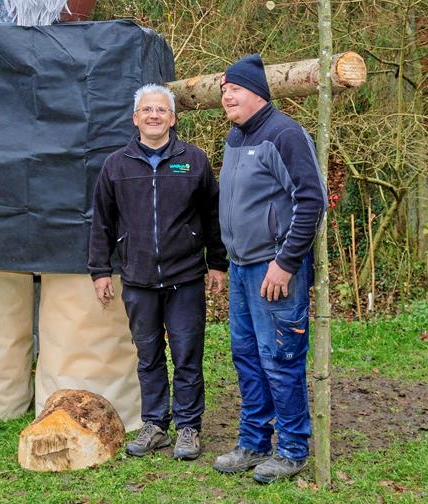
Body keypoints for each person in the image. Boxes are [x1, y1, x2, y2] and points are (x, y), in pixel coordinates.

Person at [88, 84, 227, 461]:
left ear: (173, 118)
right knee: (148, 354)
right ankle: (154, 424)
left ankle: (188, 427)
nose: (154, 115)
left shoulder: (193, 161)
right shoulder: (116, 165)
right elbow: (101, 221)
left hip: (185, 277)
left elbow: (213, 216)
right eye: (147, 110)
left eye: (161, 110)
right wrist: (100, 271)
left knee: (186, 353)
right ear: (135, 119)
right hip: (138, 278)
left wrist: (217, 262)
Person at [212, 54, 326, 484]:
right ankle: (253, 442)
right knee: (247, 358)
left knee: (280, 358)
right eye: (223, 92)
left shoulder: (285, 134)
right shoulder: (235, 137)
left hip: (274, 270)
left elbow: (310, 200)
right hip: (242, 269)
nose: (226, 98)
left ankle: (293, 449)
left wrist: (286, 262)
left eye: (234, 90)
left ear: (257, 92)